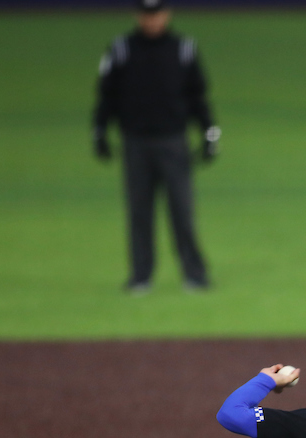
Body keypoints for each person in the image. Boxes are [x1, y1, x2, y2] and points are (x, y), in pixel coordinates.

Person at [92, 0, 219, 293]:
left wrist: (209, 134)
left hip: (173, 141)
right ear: (138, 16)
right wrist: (99, 131)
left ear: (167, 14)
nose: (152, 20)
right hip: (135, 142)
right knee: (139, 212)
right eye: (147, 15)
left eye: (157, 14)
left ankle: (195, 274)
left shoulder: (183, 49)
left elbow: (199, 96)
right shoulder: (121, 49)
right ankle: (140, 276)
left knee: (182, 211)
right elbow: (106, 94)